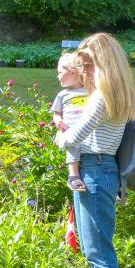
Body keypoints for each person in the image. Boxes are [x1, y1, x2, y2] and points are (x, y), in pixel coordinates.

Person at [55, 33, 135, 268]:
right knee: (95, 249)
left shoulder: (103, 96)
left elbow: (72, 137)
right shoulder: (113, 93)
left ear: (104, 64)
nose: (85, 72)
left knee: (99, 251)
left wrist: (60, 135)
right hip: (96, 169)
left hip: (95, 170)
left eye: (88, 65)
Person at [51, 52, 89, 191]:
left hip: (89, 129)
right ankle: (73, 175)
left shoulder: (90, 91)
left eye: (60, 72)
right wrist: (58, 122)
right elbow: (57, 113)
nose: (57, 76)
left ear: (73, 72)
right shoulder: (63, 95)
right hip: (70, 129)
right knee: (72, 147)